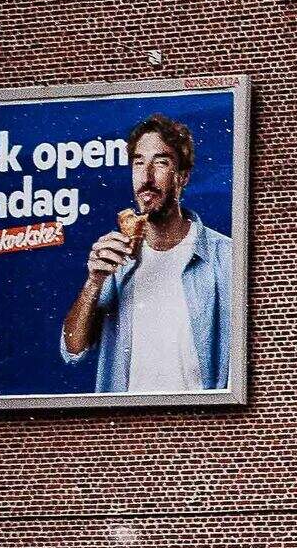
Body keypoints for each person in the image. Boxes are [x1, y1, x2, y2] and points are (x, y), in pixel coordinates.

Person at [59, 114, 235, 396]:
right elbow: (72, 350)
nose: (147, 176)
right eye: (138, 162)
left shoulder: (225, 257)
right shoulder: (115, 259)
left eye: (161, 162)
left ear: (183, 176)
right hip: (129, 429)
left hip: (201, 428)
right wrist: (93, 282)